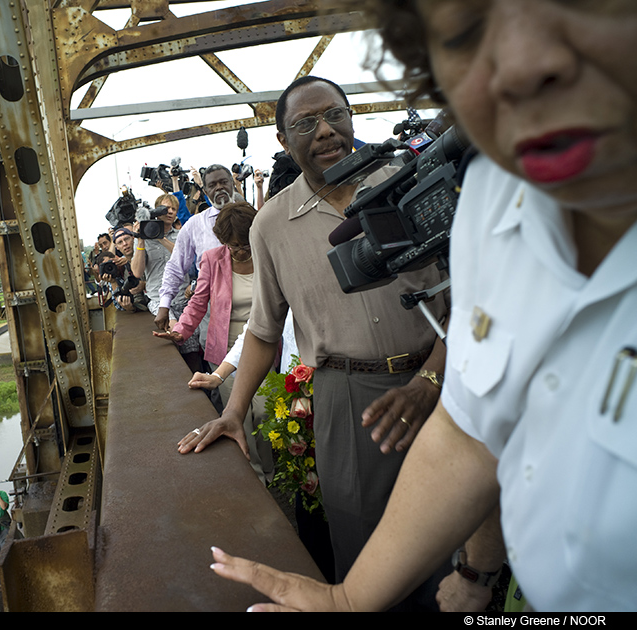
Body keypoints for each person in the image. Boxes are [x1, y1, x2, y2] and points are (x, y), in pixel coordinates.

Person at [208, 0, 637, 612]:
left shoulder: (425, 182)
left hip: (426, 369)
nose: (519, 66)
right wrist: (360, 597)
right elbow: (474, 435)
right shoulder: (491, 196)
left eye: (577, 8)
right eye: (466, 37)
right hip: (349, 402)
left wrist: (432, 377)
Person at [178, 75, 450, 609]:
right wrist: (233, 411)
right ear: (284, 140)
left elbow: (472, 302)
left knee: (452, 541)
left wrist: (430, 380)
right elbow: (262, 331)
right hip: (347, 401)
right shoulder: (273, 225)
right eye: (306, 123)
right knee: (362, 547)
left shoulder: (412, 187)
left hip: (441, 381)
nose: (325, 130)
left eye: (337, 115)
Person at [154, 202, 273, 483]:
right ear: (224, 242)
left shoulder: (268, 255)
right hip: (225, 346)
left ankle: (270, 470)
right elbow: (198, 301)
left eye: (246, 244)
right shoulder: (212, 259)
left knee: (265, 410)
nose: (242, 251)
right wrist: (181, 330)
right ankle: (254, 476)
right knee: (239, 414)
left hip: (266, 344)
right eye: (234, 246)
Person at [154, 164, 245, 336]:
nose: (219, 187)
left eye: (223, 182)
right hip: (213, 317)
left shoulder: (250, 218)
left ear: (232, 184)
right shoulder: (195, 225)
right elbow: (175, 266)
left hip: (252, 311)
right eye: (212, 185)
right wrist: (164, 304)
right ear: (205, 189)